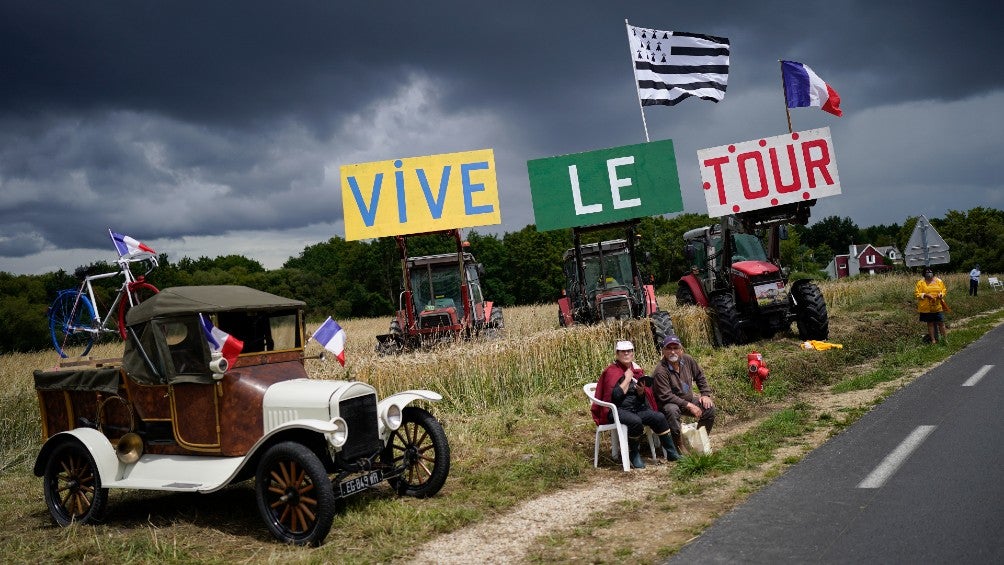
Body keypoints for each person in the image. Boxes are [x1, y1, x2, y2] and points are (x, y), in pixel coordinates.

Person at [592, 340, 682, 468]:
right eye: (623, 351)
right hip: (617, 410)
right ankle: (634, 453)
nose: (626, 353)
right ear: (617, 354)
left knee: (659, 417)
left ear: (633, 353)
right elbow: (615, 397)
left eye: (629, 351)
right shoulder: (611, 371)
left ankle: (672, 452)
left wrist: (640, 392)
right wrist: (627, 379)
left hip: (635, 408)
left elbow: (640, 400)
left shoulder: (636, 370)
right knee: (635, 421)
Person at [651, 334, 716, 454]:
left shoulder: (687, 360)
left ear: (681, 350)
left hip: (687, 401)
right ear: (663, 351)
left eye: (675, 348)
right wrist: (689, 405)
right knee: (672, 410)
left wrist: (705, 394)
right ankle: (679, 446)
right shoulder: (661, 370)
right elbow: (666, 396)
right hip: (667, 404)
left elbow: (700, 376)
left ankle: (699, 440)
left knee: (709, 408)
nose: (672, 352)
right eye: (669, 349)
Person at [915, 267, 948, 343]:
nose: (929, 273)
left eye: (930, 271)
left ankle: (945, 339)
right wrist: (925, 295)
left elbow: (944, 290)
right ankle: (933, 340)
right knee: (930, 324)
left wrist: (941, 294)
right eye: (927, 271)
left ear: (933, 273)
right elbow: (917, 294)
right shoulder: (920, 283)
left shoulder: (938, 281)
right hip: (926, 308)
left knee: (941, 323)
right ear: (924, 273)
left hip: (938, 306)